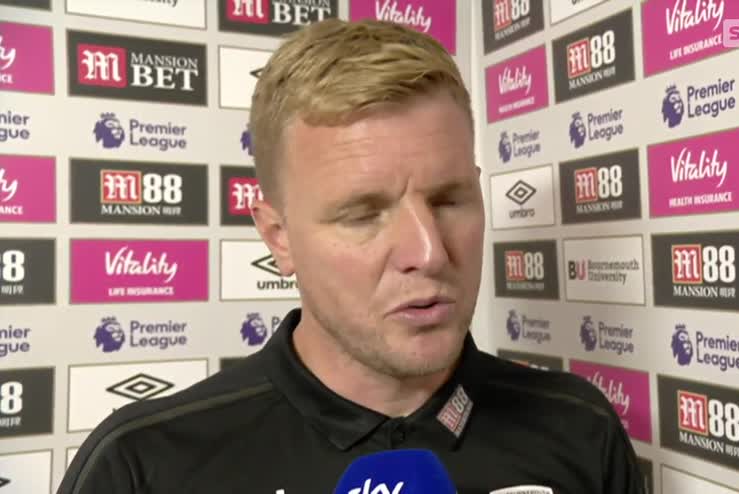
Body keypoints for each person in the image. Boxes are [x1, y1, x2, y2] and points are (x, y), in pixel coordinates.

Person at [59, 19, 645, 494]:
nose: (428, 252)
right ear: (278, 236)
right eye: (363, 214)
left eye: (449, 200)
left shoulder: (580, 428)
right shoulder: (140, 467)